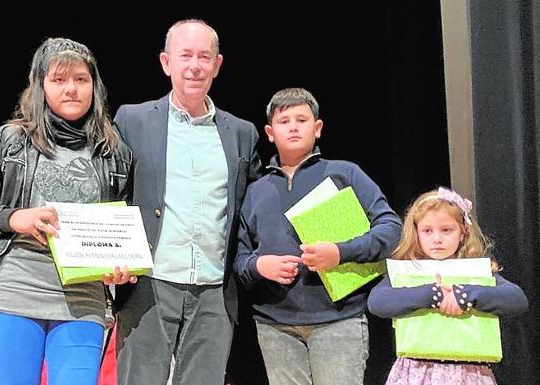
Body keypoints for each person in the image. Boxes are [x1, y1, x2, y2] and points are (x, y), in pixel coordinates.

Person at [0, 37, 137, 385]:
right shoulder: (11, 139)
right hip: (14, 292)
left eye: (81, 79)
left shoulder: (116, 151)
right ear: (40, 85)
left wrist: (120, 268)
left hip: (83, 299)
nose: (71, 89)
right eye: (58, 79)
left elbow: (124, 225)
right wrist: (14, 217)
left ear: (94, 86)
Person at [110, 19, 262, 385]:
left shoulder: (242, 132)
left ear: (217, 65)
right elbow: (104, 187)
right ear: (166, 63)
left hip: (214, 287)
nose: (195, 65)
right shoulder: (132, 119)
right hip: (149, 282)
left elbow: (257, 203)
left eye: (204, 57)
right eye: (185, 56)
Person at [233, 87, 402, 385]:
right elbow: (240, 260)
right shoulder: (256, 191)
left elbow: (390, 229)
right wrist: (260, 266)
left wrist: (340, 252)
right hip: (275, 325)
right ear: (270, 133)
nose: (294, 127)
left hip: (339, 320)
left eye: (302, 119)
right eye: (285, 122)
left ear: (318, 128)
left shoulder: (344, 174)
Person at [367, 187, 529, 385]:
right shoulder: (408, 271)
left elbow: (516, 298)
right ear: (416, 233)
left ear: (463, 232)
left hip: (468, 371)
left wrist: (464, 295)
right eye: (427, 231)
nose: (437, 239)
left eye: (446, 230)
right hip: (416, 371)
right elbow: (377, 302)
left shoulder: (474, 270)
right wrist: (433, 294)